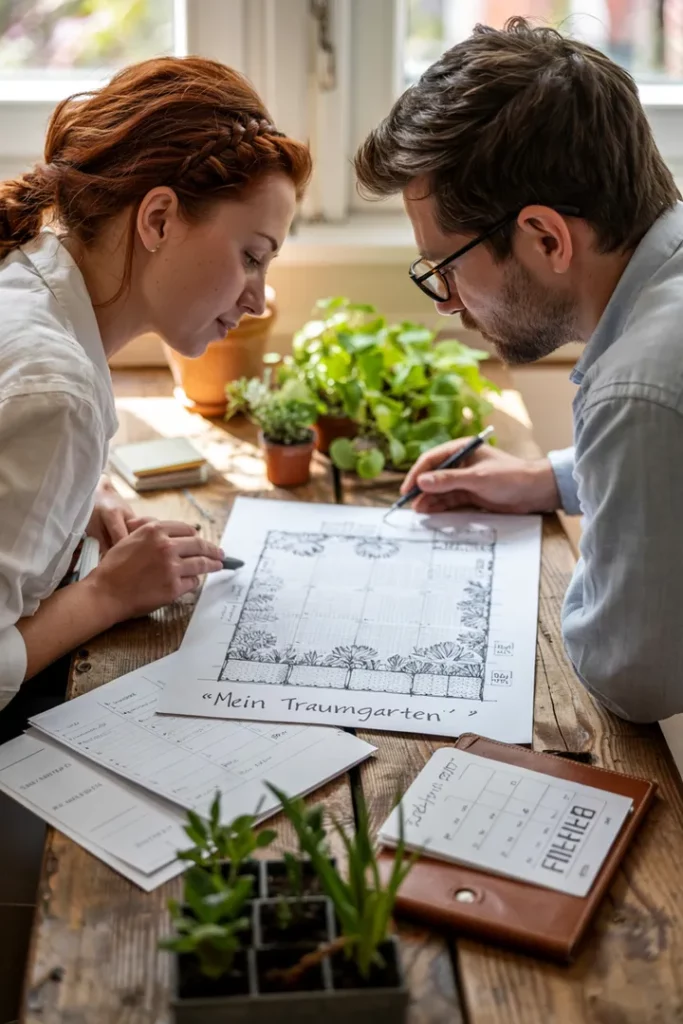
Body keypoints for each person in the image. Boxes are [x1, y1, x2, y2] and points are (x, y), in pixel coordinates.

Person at [355, 17, 683, 724]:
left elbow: (632, 676)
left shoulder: (639, 386)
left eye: (444, 268)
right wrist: (552, 479)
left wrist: (511, 600)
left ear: (543, 237)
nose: (446, 304)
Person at [0, 56, 311, 731]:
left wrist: (83, 499)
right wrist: (108, 595)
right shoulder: (59, 391)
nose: (258, 299)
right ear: (160, 219)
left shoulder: (24, 273)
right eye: (252, 255)